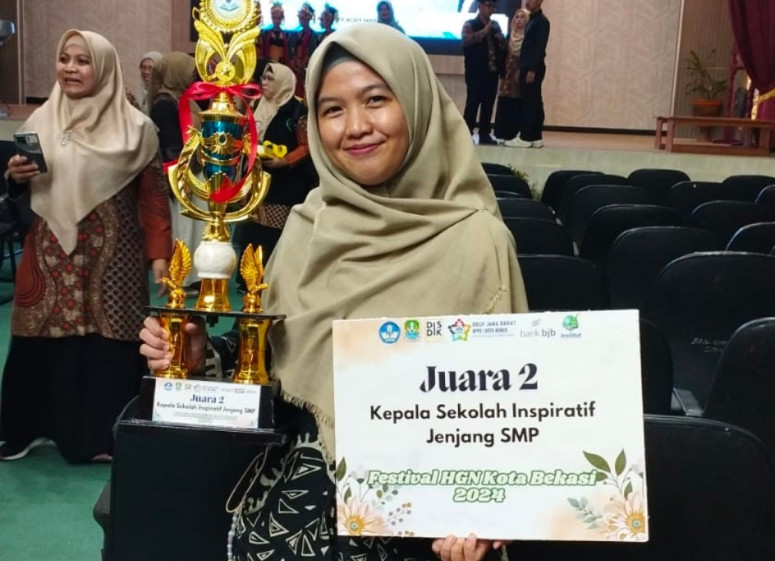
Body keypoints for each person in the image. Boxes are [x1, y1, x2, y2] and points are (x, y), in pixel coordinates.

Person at [140, 22, 525, 561]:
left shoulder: (477, 240)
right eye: (332, 109)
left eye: (376, 100)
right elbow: (273, 364)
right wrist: (203, 357)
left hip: (416, 528)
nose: (357, 127)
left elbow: (504, 414)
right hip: (289, 515)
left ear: (416, 103)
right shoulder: (307, 225)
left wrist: (484, 515)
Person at [0, 30, 171, 463]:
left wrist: (160, 258)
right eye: (64, 59)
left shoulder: (136, 128)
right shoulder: (41, 121)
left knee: (106, 345)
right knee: (40, 338)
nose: (71, 69)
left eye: (82, 61)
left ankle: (99, 436)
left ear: (104, 67)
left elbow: (152, 197)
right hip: (49, 253)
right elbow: (24, 188)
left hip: (111, 258)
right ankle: (30, 429)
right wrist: (14, 177)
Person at [233, 62, 317, 290]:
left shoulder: (296, 111)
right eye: (263, 78)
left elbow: (307, 145)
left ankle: (269, 290)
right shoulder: (257, 105)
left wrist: (285, 160)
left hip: (284, 187)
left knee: (271, 239)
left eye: (270, 79)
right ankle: (249, 290)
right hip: (257, 183)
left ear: (282, 82)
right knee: (251, 237)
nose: (264, 82)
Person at [148, 51, 202, 290]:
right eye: (189, 71)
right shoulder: (164, 103)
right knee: (183, 226)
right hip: (179, 175)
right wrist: (182, 179)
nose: (193, 76)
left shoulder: (180, 98)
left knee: (193, 225)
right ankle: (182, 277)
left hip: (191, 170)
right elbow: (170, 147)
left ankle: (192, 276)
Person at [504, 0, 549, 148]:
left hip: (532, 67)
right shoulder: (533, 20)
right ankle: (535, 136)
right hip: (527, 66)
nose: (528, 2)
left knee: (530, 103)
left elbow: (539, 47)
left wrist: (532, 69)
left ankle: (525, 136)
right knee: (534, 101)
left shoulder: (542, 22)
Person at [462, 0, 506, 145]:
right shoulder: (470, 24)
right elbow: (466, 42)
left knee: (488, 104)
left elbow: (503, 47)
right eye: (488, 6)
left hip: (492, 72)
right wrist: (484, 31)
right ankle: (466, 133)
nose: (491, 9)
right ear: (480, 6)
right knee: (473, 103)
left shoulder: (496, 25)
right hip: (475, 72)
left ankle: (485, 133)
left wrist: (501, 40)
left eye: (493, 6)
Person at [493, 8, 529, 142]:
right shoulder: (509, 36)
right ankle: (501, 133)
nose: (519, 20)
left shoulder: (528, 37)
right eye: (517, 17)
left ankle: (513, 133)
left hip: (519, 73)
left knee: (516, 101)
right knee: (504, 101)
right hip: (507, 73)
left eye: (522, 17)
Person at [286, 2, 322, 98]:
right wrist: (293, 63)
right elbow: (291, 50)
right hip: (296, 66)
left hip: (304, 68)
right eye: (300, 18)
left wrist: (301, 66)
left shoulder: (313, 35)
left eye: (302, 18)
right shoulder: (296, 33)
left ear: (308, 19)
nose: (300, 20)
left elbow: (311, 52)